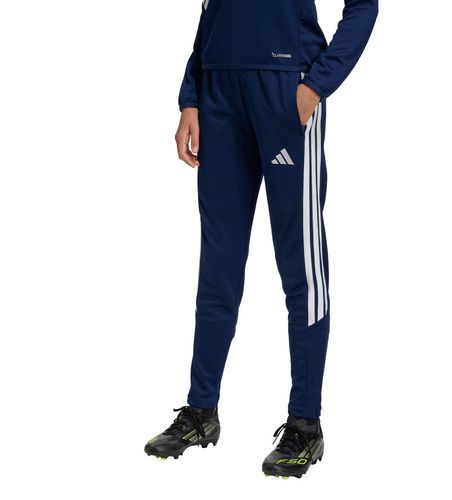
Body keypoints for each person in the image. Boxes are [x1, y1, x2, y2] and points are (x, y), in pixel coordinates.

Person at [145, 0, 378, 479]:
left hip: (285, 86)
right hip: (218, 94)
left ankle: (305, 424)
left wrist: (316, 85)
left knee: (301, 266)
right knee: (218, 263)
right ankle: (201, 411)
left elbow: (364, 6)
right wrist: (191, 95)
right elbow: (211, 10)